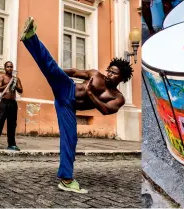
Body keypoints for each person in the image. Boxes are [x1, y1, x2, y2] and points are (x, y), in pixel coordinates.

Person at [20, 17, 133, 193]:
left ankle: (66, 179)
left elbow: (105, 110)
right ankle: (31, 37)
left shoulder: (118, 98)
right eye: (109, 70)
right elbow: (73, 72)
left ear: (122, 79)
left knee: (70, 139)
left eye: (114, 73)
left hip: (68, 107)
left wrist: (90, 94)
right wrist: (56, 73)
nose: (109, 74)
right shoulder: (95, 75)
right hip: (67, 89)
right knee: (50, 66)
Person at [0, 61, 23, 151]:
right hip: (4, 102)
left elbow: (21, 90)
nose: (9, 68)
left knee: (12, 124)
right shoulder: (2, 78)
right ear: (5, 68)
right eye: (8, 67)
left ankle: (11, 144)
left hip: (13, 103)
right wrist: (8, 85)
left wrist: (15, 85)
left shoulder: (16, 79)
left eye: (11, 67)